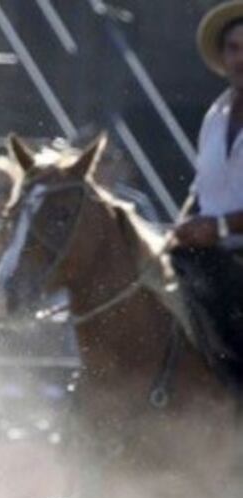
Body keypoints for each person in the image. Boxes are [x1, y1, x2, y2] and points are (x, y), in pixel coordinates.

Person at [171, 0, 243, 396]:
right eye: (233, 48)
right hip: (209, 257)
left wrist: (217, 227)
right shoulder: (215, 114)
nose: (240, 58)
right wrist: (182, 226)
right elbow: (201, 188)